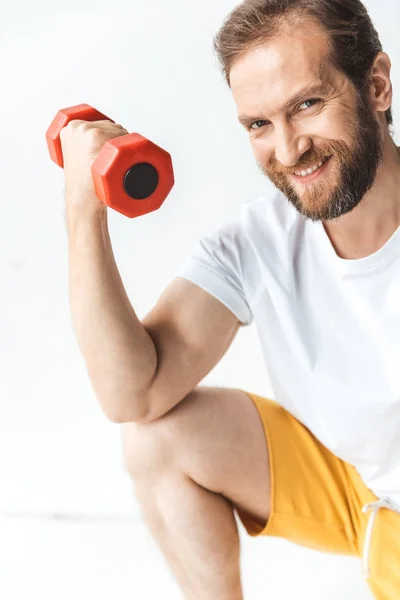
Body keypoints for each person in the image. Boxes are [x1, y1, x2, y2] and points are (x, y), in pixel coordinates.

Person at [60, 0, 400, 598]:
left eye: (307, 105)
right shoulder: (259, 242)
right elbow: (131, 393)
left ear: (375, 85)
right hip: (361, 488)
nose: (290, 149)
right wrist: (83, 213)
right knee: (156, 436)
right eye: (259, 124)